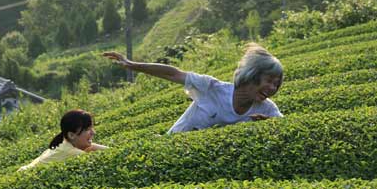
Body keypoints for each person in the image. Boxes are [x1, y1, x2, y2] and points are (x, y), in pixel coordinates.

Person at [103, 43, 283, 134]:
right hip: (173, 144)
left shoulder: (267, 109)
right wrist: (133, 65)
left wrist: (269, 126)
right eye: (269, 80)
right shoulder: (212, 88)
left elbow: (285, 128)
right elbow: (173, 74)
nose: (272, 88)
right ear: (252, 76)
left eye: (277, 83)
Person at [18, 109, 107, 171]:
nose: (93, 132)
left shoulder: (64, 145)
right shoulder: (72, 152)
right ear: (71, 135)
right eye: (87, 129)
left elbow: (90, 147)